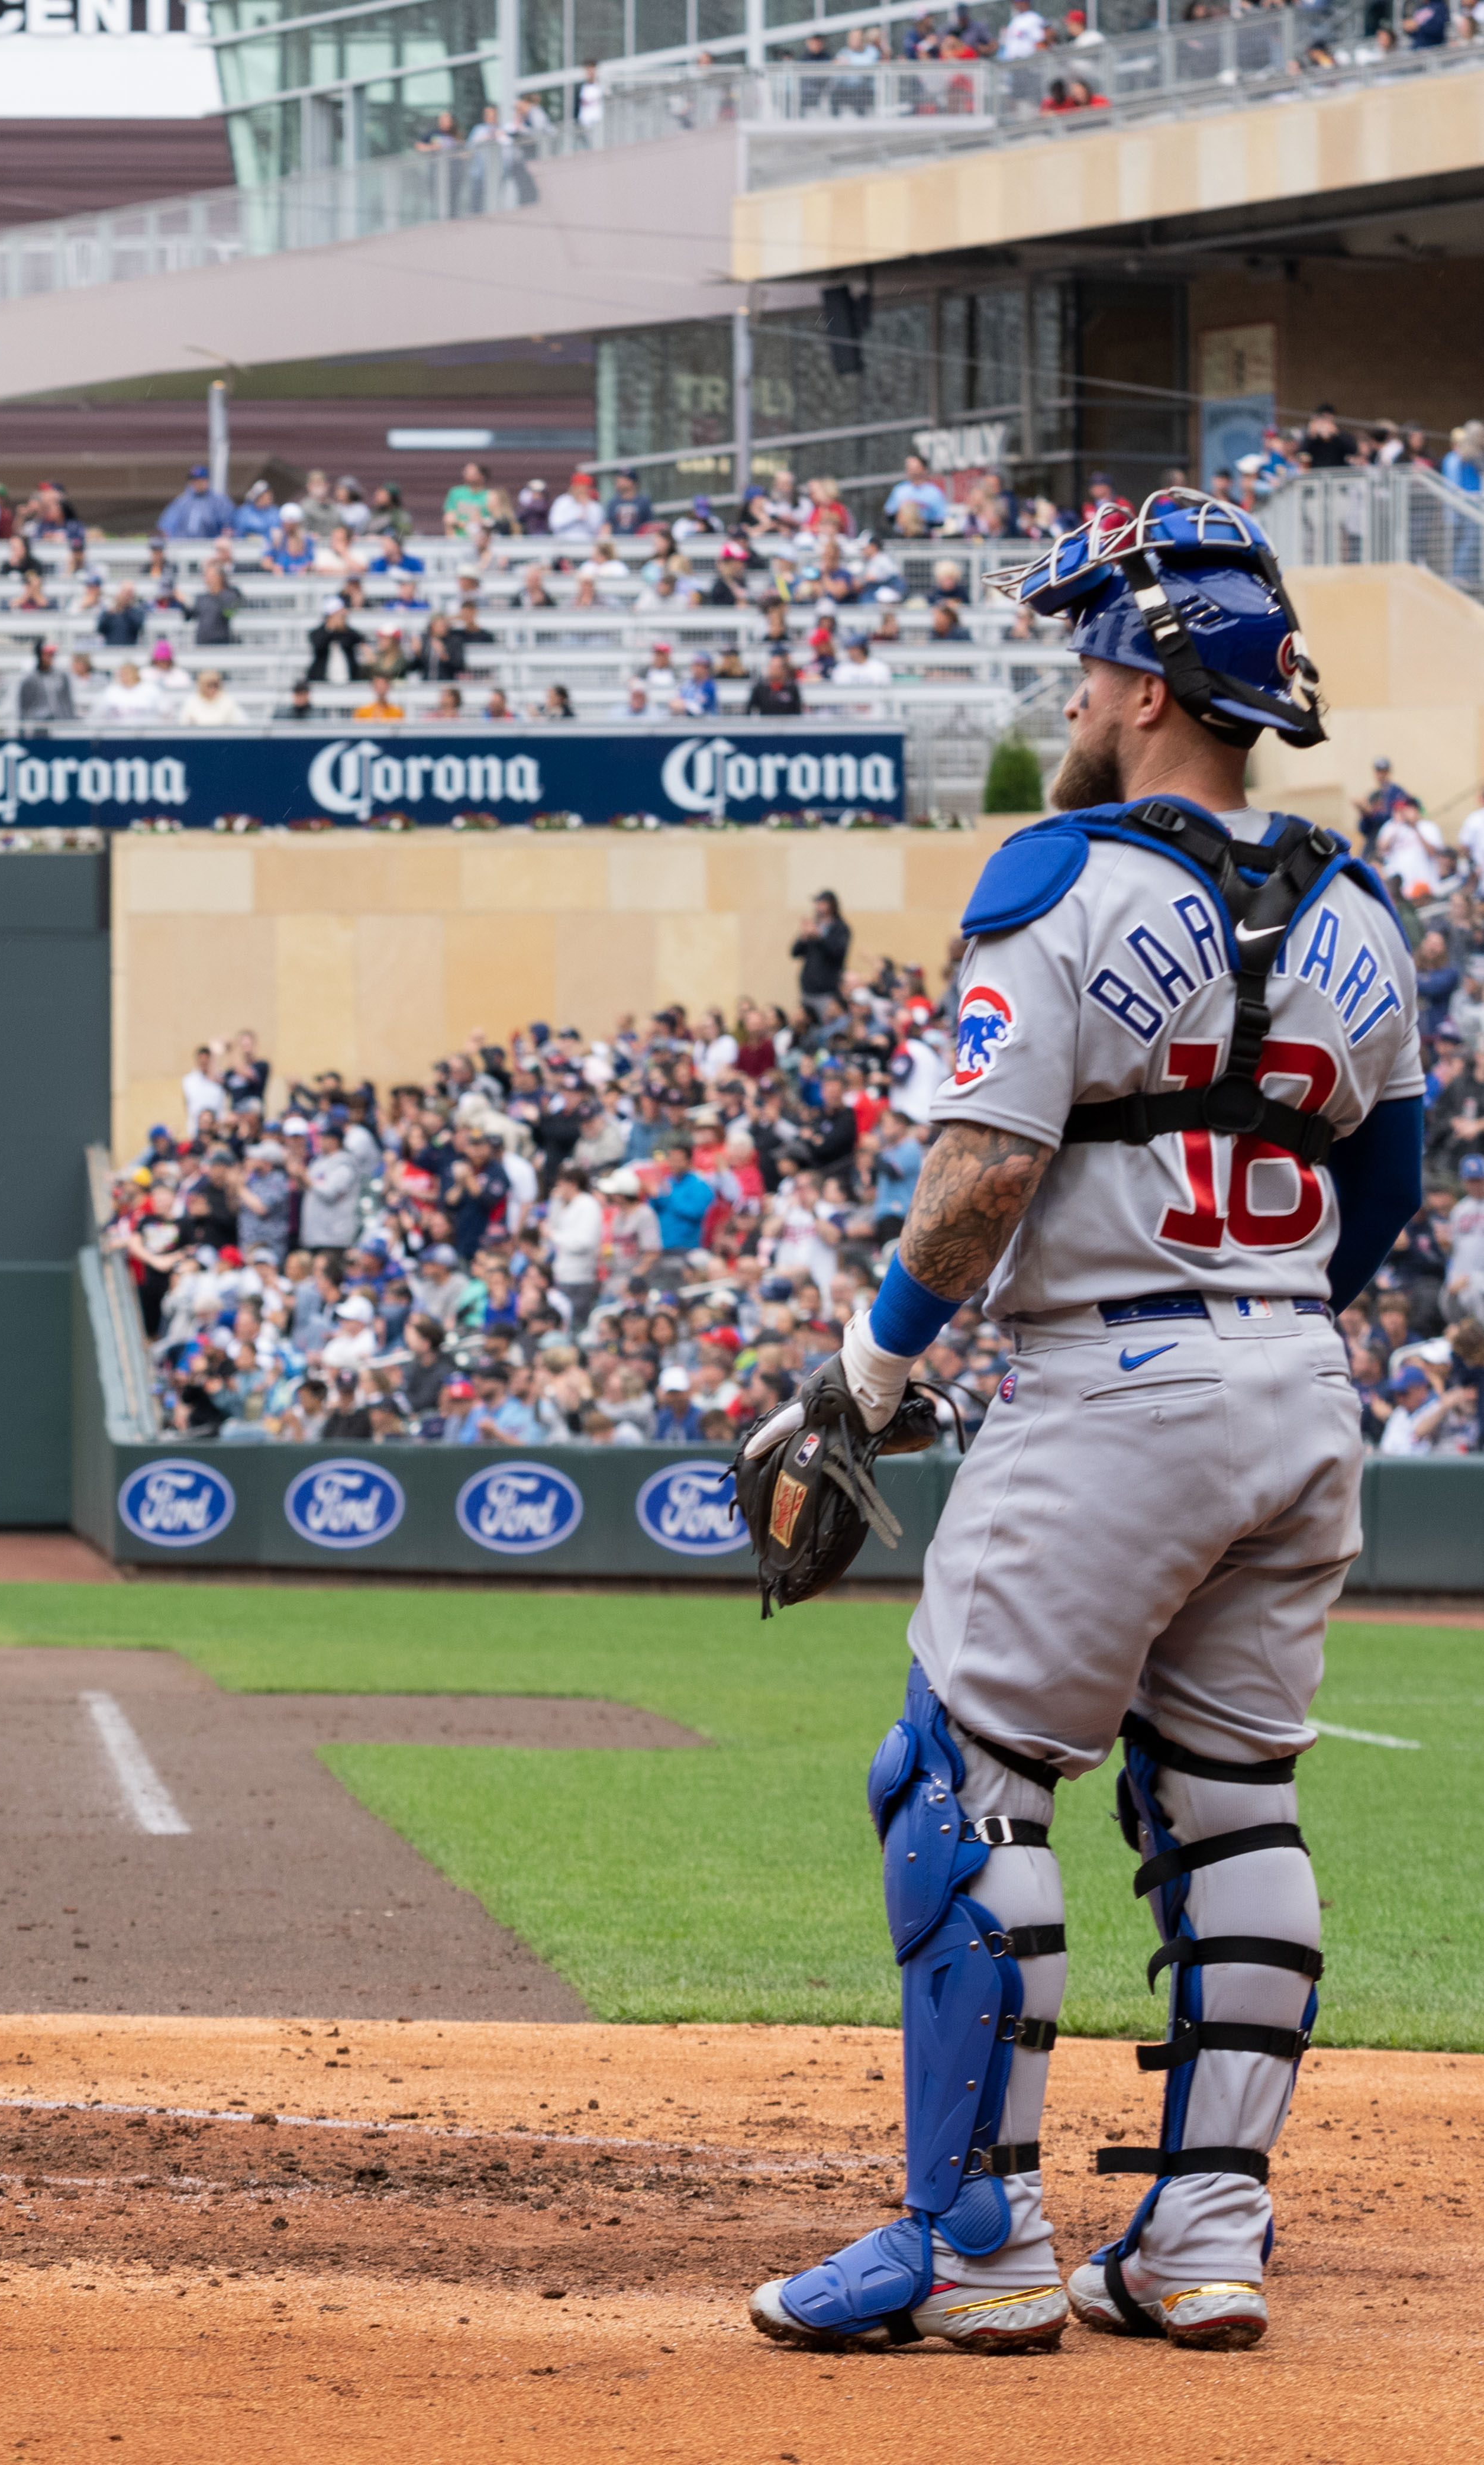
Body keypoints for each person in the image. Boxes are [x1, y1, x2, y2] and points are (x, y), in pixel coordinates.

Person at [748, 489, 1420, 2358]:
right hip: (1302, 1390)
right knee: (1233, 1801)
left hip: (1111, 1382)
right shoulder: (1362, 901)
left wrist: (870, 1375)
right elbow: (1390, 1187)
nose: (1072, 682)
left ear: (1140, 681)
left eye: (1085, 656)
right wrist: (1258, 1325)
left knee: (957, 1778)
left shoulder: (1056, 874)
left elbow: (975, 1174)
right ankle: (1201, 2238)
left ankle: (971, 2238)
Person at [792, 890, 853, 1011]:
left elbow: (837, 952)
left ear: (831, 905)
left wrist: (819, 937)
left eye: (822, 903)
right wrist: (803, 938)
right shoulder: (815, 925)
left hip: (828, 991)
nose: (818, 906)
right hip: (808, 988)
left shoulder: (840, 928)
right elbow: (795, 953)